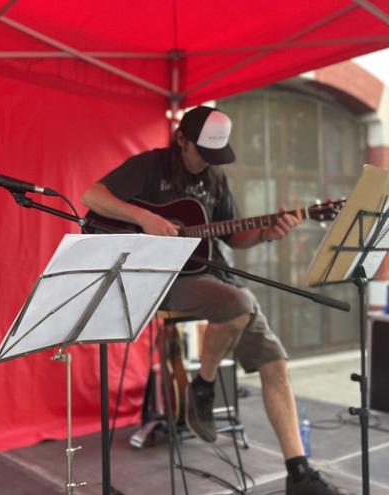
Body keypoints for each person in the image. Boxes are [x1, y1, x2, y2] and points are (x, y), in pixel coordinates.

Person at [82, 106, 351, 495]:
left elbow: (234, 236)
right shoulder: (150, 166)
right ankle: (203, 388)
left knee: (275, 361)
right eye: (201, 152)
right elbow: (91, 196)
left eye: (215, 155)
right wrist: (144, 218)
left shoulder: (215, 180)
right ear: (181, 140)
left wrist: (267, 233)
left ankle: (298, 473)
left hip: (208, 276)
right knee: (238, 302)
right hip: (156, 276)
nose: (207, 161)